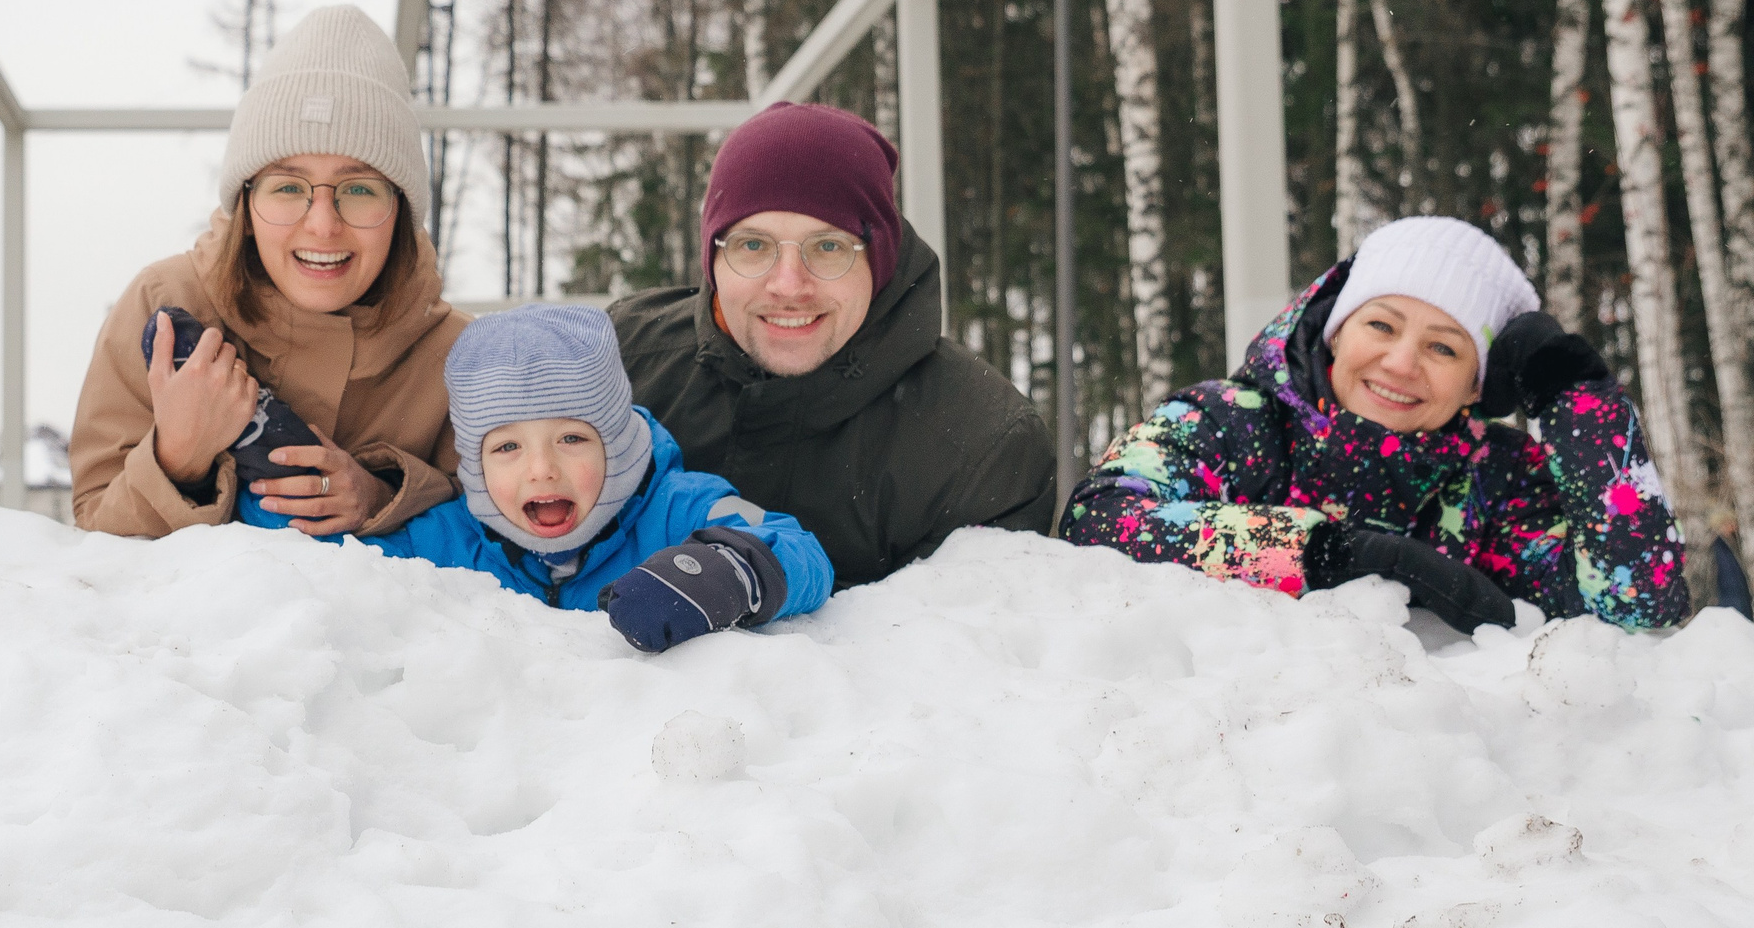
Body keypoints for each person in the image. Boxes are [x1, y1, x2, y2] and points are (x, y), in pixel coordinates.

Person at [1060, 215, 1690, 632]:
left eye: (1444, 348)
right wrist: (1326, 553)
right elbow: (1099, 520)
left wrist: (1576, 401)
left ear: (1477, 383)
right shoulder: (1230, 421)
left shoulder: (1495, 480)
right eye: (1381, 325)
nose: (1400, 363)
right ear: (1337, 329)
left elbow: (1637, 602)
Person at [608, 101, 1055, 590]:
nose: (788, 285)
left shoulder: (981, 444)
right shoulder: (619, 365)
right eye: (753, 245)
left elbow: (958, 650)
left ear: (880, 258)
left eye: (828, 247)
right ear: (713, 258)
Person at [71, 5, 467, 539]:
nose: (323, 226)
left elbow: (518, 544)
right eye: (287, 187)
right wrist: (177, 460)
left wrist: (384, 496)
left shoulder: (460, 355)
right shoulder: (163, 304)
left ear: (399, 211)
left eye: (358, 189)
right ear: (247, 205)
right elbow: (92, 530)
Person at [364, 305, 833, 651]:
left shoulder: (679, 506)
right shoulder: (446, 538)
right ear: (474, 463)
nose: (541, 468)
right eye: (507, 447)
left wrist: (718, 575)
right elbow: (328, 571)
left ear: (618, 441)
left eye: (571, 438)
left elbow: (796, 546)